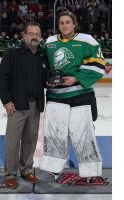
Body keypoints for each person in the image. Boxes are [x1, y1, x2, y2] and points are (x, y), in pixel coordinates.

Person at [39, 11, 106, 180]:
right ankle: (54, 167)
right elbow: (42, 66)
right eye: (61, 22)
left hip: (81, 95)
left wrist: (76, 78)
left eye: (68, 22)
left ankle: (91, 170)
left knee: (83, 132)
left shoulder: (87, 40)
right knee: (55, 133)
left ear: (74, 24)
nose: (64, 25)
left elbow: (99, 64)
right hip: (56, 96)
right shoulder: (50, 42)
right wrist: (47, 80)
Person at [0, 21, 47, 189]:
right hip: (17, 105)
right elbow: (2, 78)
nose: (34, 36)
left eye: (37, 34)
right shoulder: (13, 54)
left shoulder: (42, 55)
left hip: (35, 105)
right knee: (12, 142)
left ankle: (26, 170)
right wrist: (7, 101)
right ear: (24, 35)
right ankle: (10, 174)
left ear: (40, 37)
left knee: (30, 140)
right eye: (31, 33)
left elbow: (45, 79)